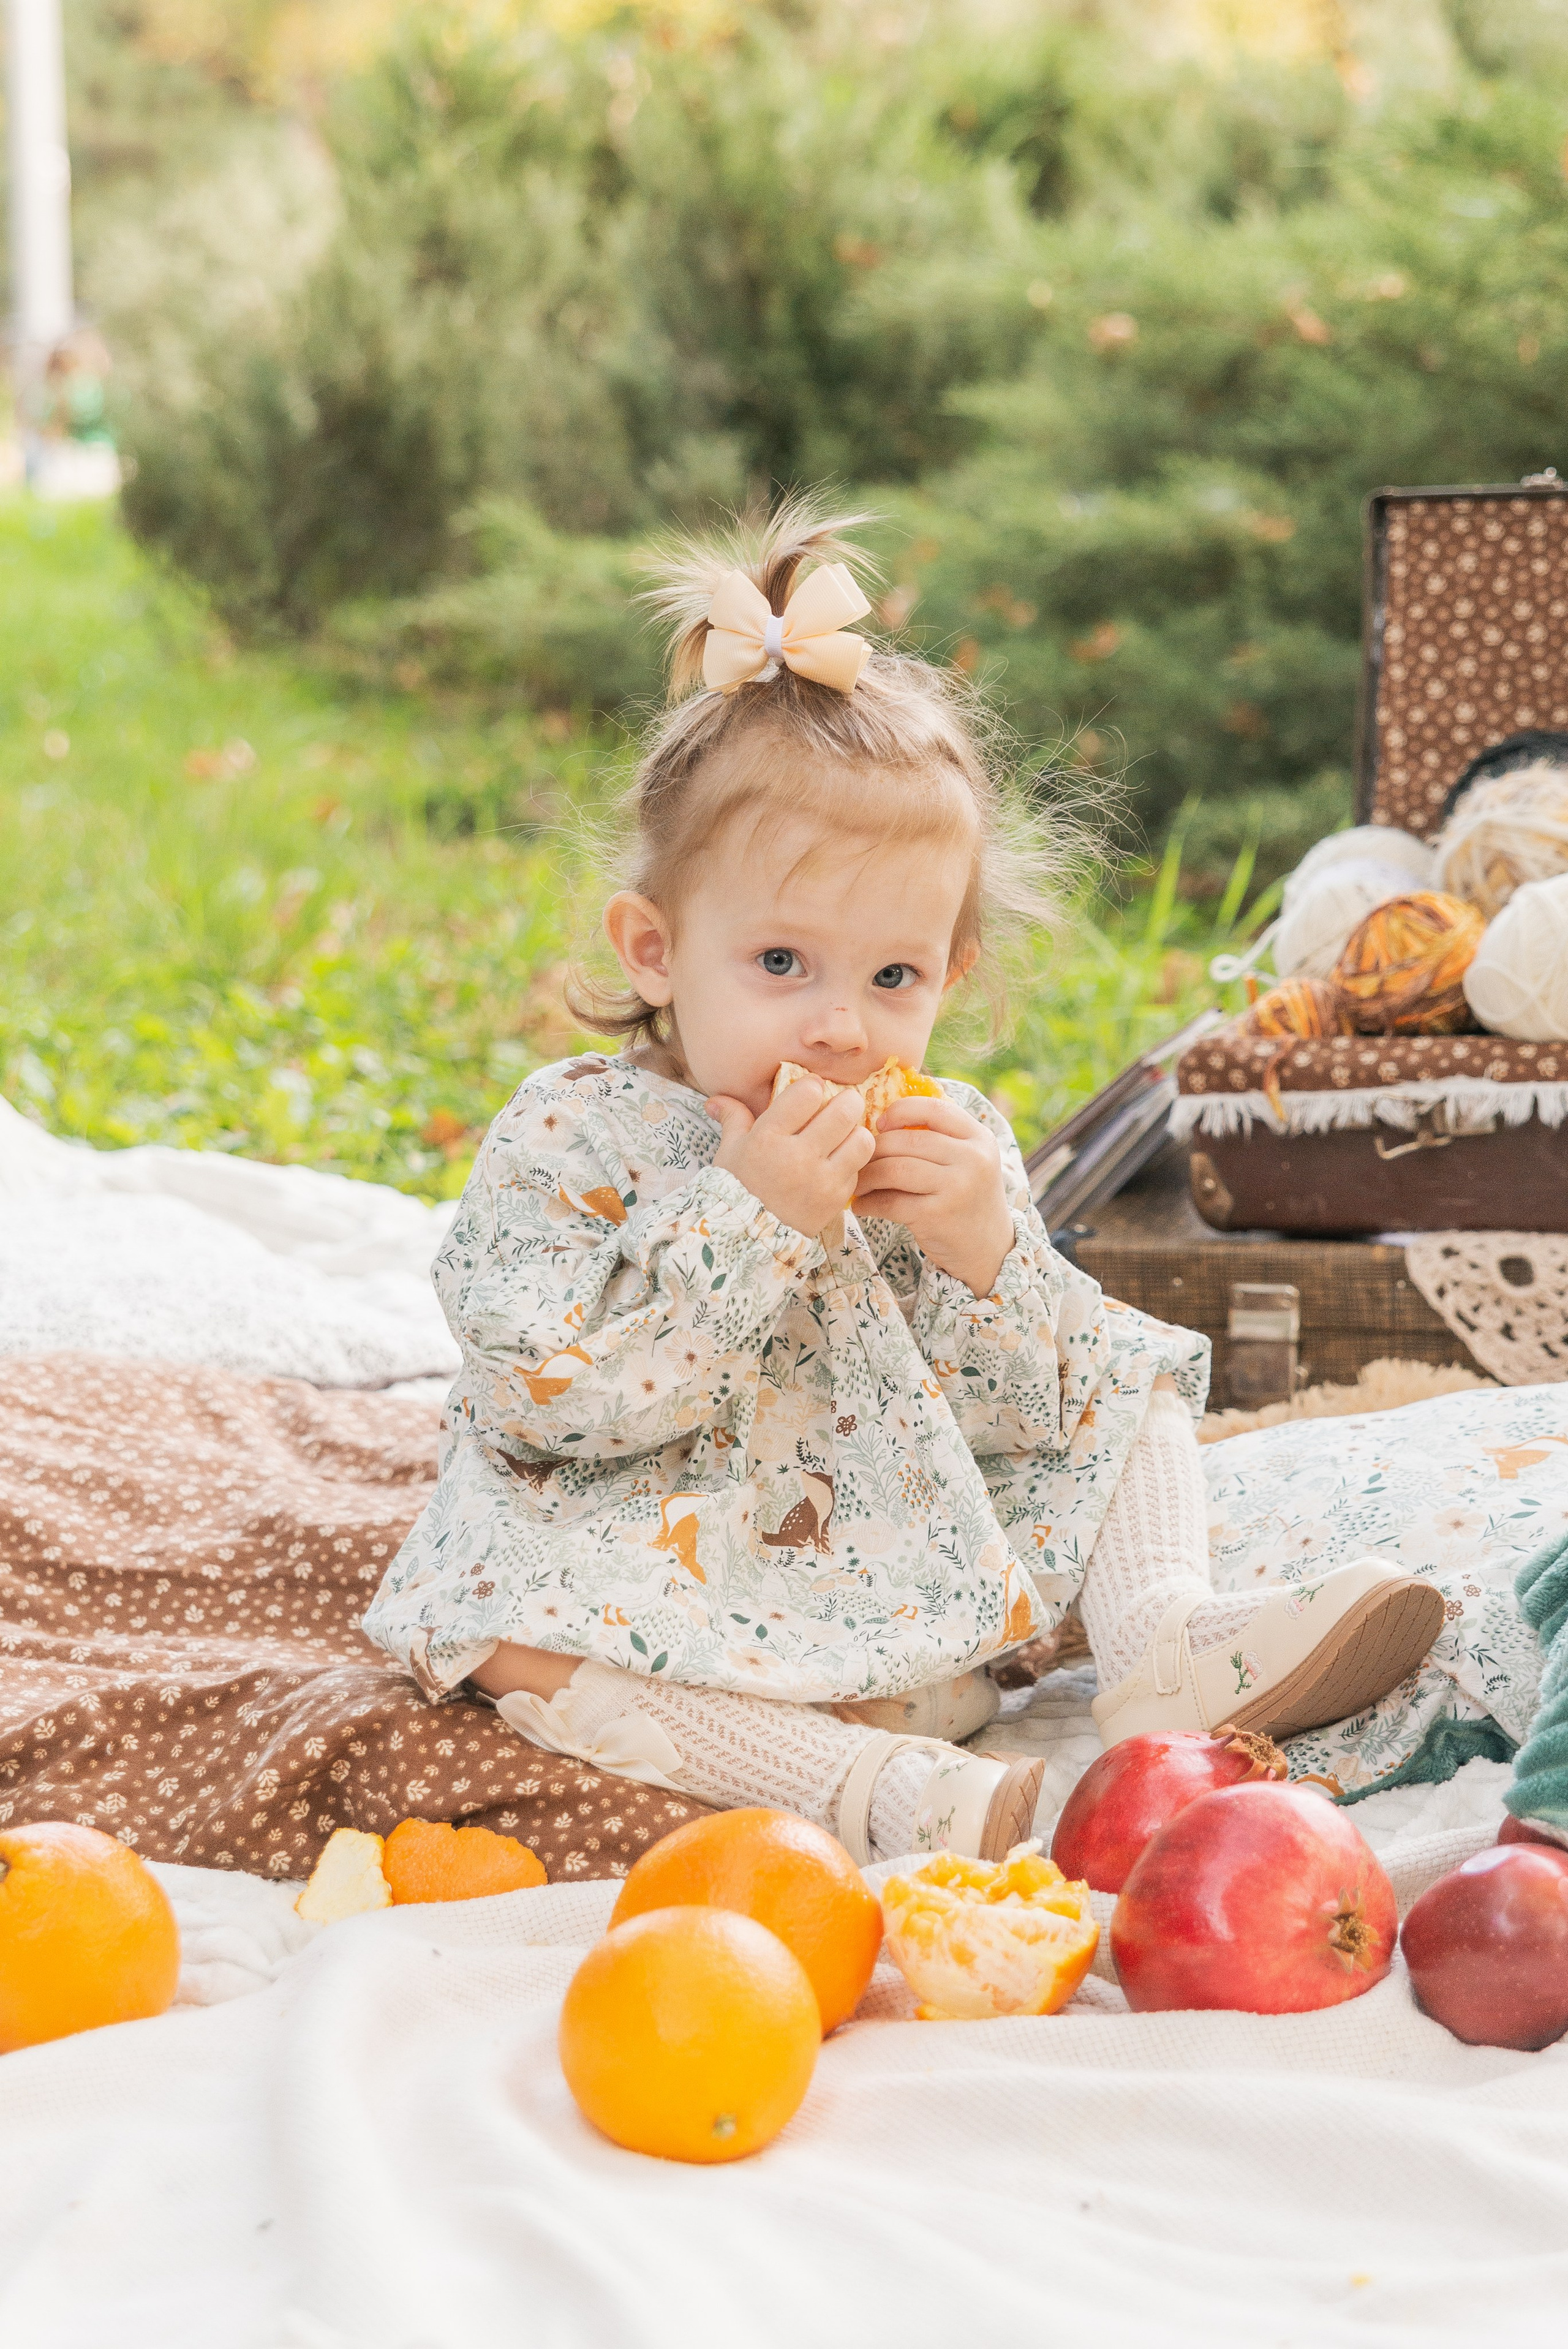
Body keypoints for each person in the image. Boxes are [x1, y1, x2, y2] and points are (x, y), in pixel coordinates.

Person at [362, 501, 1442, 1864]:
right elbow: (546, 1399)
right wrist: (750, 1220)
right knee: (490, 1629)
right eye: (779, 965)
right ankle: (855, 1782)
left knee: (1123, 1371)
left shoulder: (947, 1137)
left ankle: (1162, 1639)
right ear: (652, 947)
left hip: (910, 1586)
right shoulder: (570, 1140)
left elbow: (1026, 1408)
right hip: (665, 1574)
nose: (838, 1026)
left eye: (892, 978)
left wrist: (986, 1248)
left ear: (951, 974)